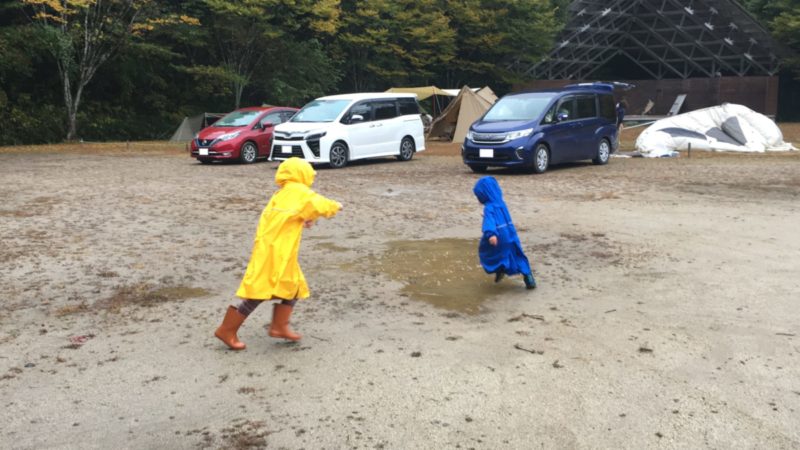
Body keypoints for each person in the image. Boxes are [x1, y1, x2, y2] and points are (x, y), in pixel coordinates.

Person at [215, 157, 342, 350]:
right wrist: (336, 206)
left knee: (294, 285)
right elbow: (317, 203)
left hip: (273, 248)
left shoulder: (282, 193)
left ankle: (279, 326)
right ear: (301, 173)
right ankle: (227, 329)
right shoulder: (299, 192)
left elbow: (296, 212)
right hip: (278, 252)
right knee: (261, 291)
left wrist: (306, 218)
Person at [473, 176, 536, 290]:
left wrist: (491, 234)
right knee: (517, 254)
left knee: (488, 252)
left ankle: (500, 269)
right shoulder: (502, 204)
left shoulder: (489, 208)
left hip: (499, 235)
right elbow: (500, 217)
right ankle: (529, 277)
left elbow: (490, 222)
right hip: (511, 233)